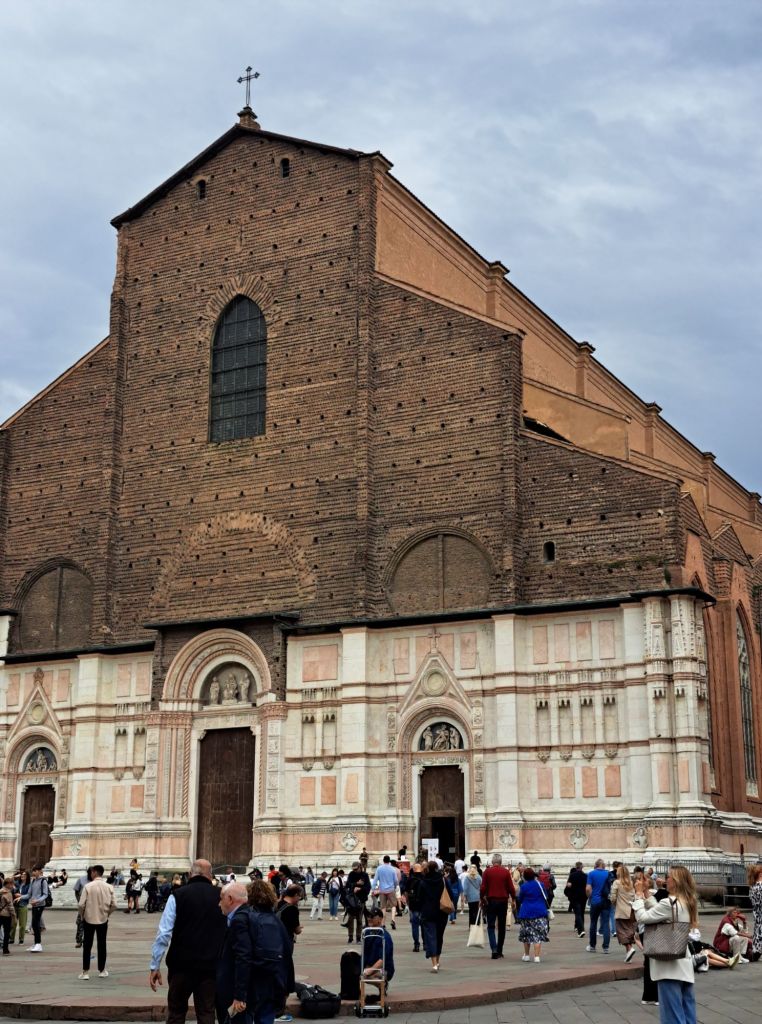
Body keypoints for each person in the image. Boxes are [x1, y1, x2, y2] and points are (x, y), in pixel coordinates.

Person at [148, 858, 227, 1024]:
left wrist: (155, 965)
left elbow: (164, 933)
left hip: (181, 966)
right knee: (206, 1013)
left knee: (176, 1013)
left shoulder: (177, 895)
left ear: (191, 874)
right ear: (210, 875)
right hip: (210, 967)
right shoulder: (222, 896)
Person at [634, 864, 698, 1024]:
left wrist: (638, 895)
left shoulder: (669, 903)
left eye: (668, 876)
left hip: (669, 964)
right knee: (687, 1010)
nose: (665, 879)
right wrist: (647, 894)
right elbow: (659, 911)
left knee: (672, 1016)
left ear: (675, 881)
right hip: (683, 961)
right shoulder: (686, 901)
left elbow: (643, 917)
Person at [247, 879, 295, 1024]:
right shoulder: (276, 921)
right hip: (274, 980)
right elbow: (287, 953)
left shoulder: (249, 919)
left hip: (255, 979)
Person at [78, 864, 117, 979]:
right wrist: (107, 913)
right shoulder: (109, 887)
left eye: (91, 872)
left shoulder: (88, 886)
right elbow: (114, 905)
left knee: (87, 946)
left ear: (94, 872)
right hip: (103, 919)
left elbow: (81, 904)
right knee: (102, 944)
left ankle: (85, 972)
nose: (90, 874)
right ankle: (102, 970)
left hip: (88, 919)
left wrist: (82, 915)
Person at [479, 853, 517, 960]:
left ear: (492, 862)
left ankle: (494, 949)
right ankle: (500, 950)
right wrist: (513, 898)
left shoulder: (487, 872)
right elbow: (511, 887)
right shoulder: (505, 872)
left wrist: (481, 898)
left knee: (490, 926)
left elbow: (483, 887)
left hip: (491, 901)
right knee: (501, 926)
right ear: (500, 862)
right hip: (502, 901)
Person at [516, 867, 550, 963]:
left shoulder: (524, 886)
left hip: (526, 912)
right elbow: (546, 897)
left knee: (526, 934)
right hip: (539, 912)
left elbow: (520, 899)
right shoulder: (540, 885)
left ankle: (526, 955)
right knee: (537, 935)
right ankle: (537, 957)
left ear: (525, 877)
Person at [418, 860, 447, 973]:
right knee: (439, 936)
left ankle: (434, 963)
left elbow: (420, 898)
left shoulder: (423, 882)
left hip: (428, 913)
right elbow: (450, 893)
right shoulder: (442, 880)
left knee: (431, 937)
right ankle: (438, 961)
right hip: (441, 912)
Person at [610, 864, 639, 962]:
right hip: (631, 910)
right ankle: (628, 955)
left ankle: (630, 948)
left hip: (621, 910)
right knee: (629, 931)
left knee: (621, 932)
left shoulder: (617, 882)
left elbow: (613, 897)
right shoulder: (631, 883)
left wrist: (614, 903)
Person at [363, 906, 395, 987]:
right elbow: (364, 954)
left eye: (372, 917)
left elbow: (382, 960)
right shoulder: (367, 933)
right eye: (368, 916)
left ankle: (383, 985)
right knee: (353, 970)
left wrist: (368, 971)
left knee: (366, 976)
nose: (369, 918)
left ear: (380, 919)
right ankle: (356, 994)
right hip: (371, 964)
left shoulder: (385, 936)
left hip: (384, 968)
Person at [585, 858, 611, 953]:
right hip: (606, 901)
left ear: (595, 865)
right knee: (605, 924)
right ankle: (606, 947)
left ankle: (592, 946)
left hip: (595, 901)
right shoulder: (608, 873)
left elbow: (588, 889)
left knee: (593, 923)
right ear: (603, 866)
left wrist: (590, 897)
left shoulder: (591, 874)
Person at [343, 861, 370, 944]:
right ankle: (350, 937)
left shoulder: (365, 875)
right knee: (350, 918)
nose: (355, 871)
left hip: (361, 899)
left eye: (356, 869)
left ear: (360, 867)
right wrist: (356, 884)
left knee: (359, 919)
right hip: (351, 900)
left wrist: (360, 889)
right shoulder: (351, 874)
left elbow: (368, 887)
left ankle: (358, 938)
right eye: (353, 869)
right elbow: (348, 885)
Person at [372, 856, 399, 930]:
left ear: (383, 861)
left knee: (383, 907)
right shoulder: (392, 869)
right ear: (389, 861)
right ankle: (393, 920)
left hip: (382, 890)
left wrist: (373, 889)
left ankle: (383, 923)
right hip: (391, 889)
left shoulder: (379, 868)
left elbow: (375, 880)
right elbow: (396, 880)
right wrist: (395, 885)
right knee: (393, 905)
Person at [27, 863, 49, 952]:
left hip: (40, 905)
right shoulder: (33, 881)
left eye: (35, 871)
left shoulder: (43, 881)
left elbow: (45, 894)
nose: (34, 872)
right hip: (34, 905)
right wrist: (20, 897)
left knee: (36, 924)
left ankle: (38, 944)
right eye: (33, 871)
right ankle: (35, 943)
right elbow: (29, 894)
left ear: (40, 871)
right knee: (34, 924)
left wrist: (37, 900)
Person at [405, 861, 424, 952]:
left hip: (413, 906)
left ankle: (416, 944)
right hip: (423, 906)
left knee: (415, 926)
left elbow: (406, 892)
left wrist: (408, 903)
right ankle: (425, 944)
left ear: (413, 869)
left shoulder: (410, 879)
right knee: (424, 926)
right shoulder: (425, 878)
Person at [565, 862, 587, 937]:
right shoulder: (585, 876)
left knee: (578, 914)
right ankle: (581, 928)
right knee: (582, 913)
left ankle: (581, 930)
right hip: (583, 897)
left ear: (576, 867)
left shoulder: (572, 875)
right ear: (582, 867)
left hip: (575, 897)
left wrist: (569, 894)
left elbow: (568, 885)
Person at [12, 869, 30, 946]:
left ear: (27, 877)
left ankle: (21, 939)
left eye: (24, 875)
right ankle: (11, 938)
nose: (22, 875)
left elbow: (29, 895)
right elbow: (8, 881)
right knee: (13, 923)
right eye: (22, 874)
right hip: (15, 905)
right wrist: (14, 876)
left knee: (22, 924)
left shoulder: (29, 885)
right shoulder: (17, 883)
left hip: (23, 905)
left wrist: (21, 896)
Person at [748, 863, 762, 960]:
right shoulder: (760, 886)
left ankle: (756, 951)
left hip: (757, 914)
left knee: (758, 931)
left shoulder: (752, 887)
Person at [0, 874, 17, 955]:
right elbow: (10, 906)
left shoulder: (0, 891)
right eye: (11, 884)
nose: (12, 885)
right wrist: (14, 916)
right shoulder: (8, 893)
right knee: (7, 933)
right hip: (6, 915)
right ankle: (5, 950)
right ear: (7, 884)